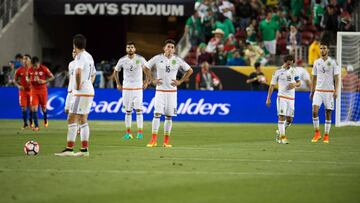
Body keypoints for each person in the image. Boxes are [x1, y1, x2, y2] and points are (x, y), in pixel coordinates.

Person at [144, 39, 193, 147]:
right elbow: (146, 67)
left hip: (172, 92)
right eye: (168, 46)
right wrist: (152, 80)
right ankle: (153, 140)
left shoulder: (177, 60)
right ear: (164, 48)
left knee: (169, 116)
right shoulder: (157, 58)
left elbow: (190, 70)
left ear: (174, 50)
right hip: (160, 91)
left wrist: (180, 81)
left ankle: (166, 142)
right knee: (156, 114)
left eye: (172, 47)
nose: (170, 49)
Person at [55, 34, 96, 156]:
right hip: (89, 91)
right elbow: (91, 73)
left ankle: (69, 149)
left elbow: (78, 72)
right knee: (83, 119)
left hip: (81, 92)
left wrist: (78, 85)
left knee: (71, 118)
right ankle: (84, 150)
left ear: (74, 45)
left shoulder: (80, 57)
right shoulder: (89, 56)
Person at [113, 41, 148, 140]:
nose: (130, 49)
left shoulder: (140, 59)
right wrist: (118, 83)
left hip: (137, 88)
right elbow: (116, 71)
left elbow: (147, 69)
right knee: (128, 111)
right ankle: (128, 133)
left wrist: (146, 82)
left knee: (139, 110)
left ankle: (139, 133)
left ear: (135, 49)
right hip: (127, 88)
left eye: (132, 47)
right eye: (128, 47)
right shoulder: (122, 60)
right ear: (126, 49)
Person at [310, 41, 340, 143]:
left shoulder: (333, 62)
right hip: (318, 91)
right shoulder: (316, 62)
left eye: (324, 48)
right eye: (321, 48)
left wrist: (336, 91)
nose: (322, 50)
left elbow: (337, 78)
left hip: (329, 91)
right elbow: (313, 78)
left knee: (328, 113)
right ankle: (317, 133)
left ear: (328, 50)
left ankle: (326, 135)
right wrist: (312, 91)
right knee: (314, 111)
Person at [266, 55, 301, 144]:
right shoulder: (277, 71)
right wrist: (268, 98)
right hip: (282, 97)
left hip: (291, 98)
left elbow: (299, 82)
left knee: (290, 119)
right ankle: (282, 137)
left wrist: (294, 85)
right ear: (285, 61)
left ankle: (280, 132)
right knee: (282, 116)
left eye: (291, 62)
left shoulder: (294, 71)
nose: (290, 64)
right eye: (289, 62)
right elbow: (272, 85)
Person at [28, 57, 55, 131]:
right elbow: (28, 77)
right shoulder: (30, 70)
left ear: (38, 63)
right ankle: (36, 126)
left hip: (43, 90)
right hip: (34, 91)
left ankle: (45, 118)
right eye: (33, 66)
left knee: (43, 108)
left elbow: (52, 77)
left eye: (36, 66)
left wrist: (44, 81)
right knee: (34, 108)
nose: (34, 67)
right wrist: (29, 80)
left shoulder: (44, 68)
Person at [13, 54, 32, 129]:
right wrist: (18, 86)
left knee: (31, 108)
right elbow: (15, 80)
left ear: (30, 60)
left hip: (31, 91)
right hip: (23, 91)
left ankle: (31, 123)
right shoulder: (19, 70)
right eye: (23, 59)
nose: (24, 61)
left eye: (26, 59)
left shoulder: (33, 69)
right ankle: (25, 124)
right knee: (23, 108)